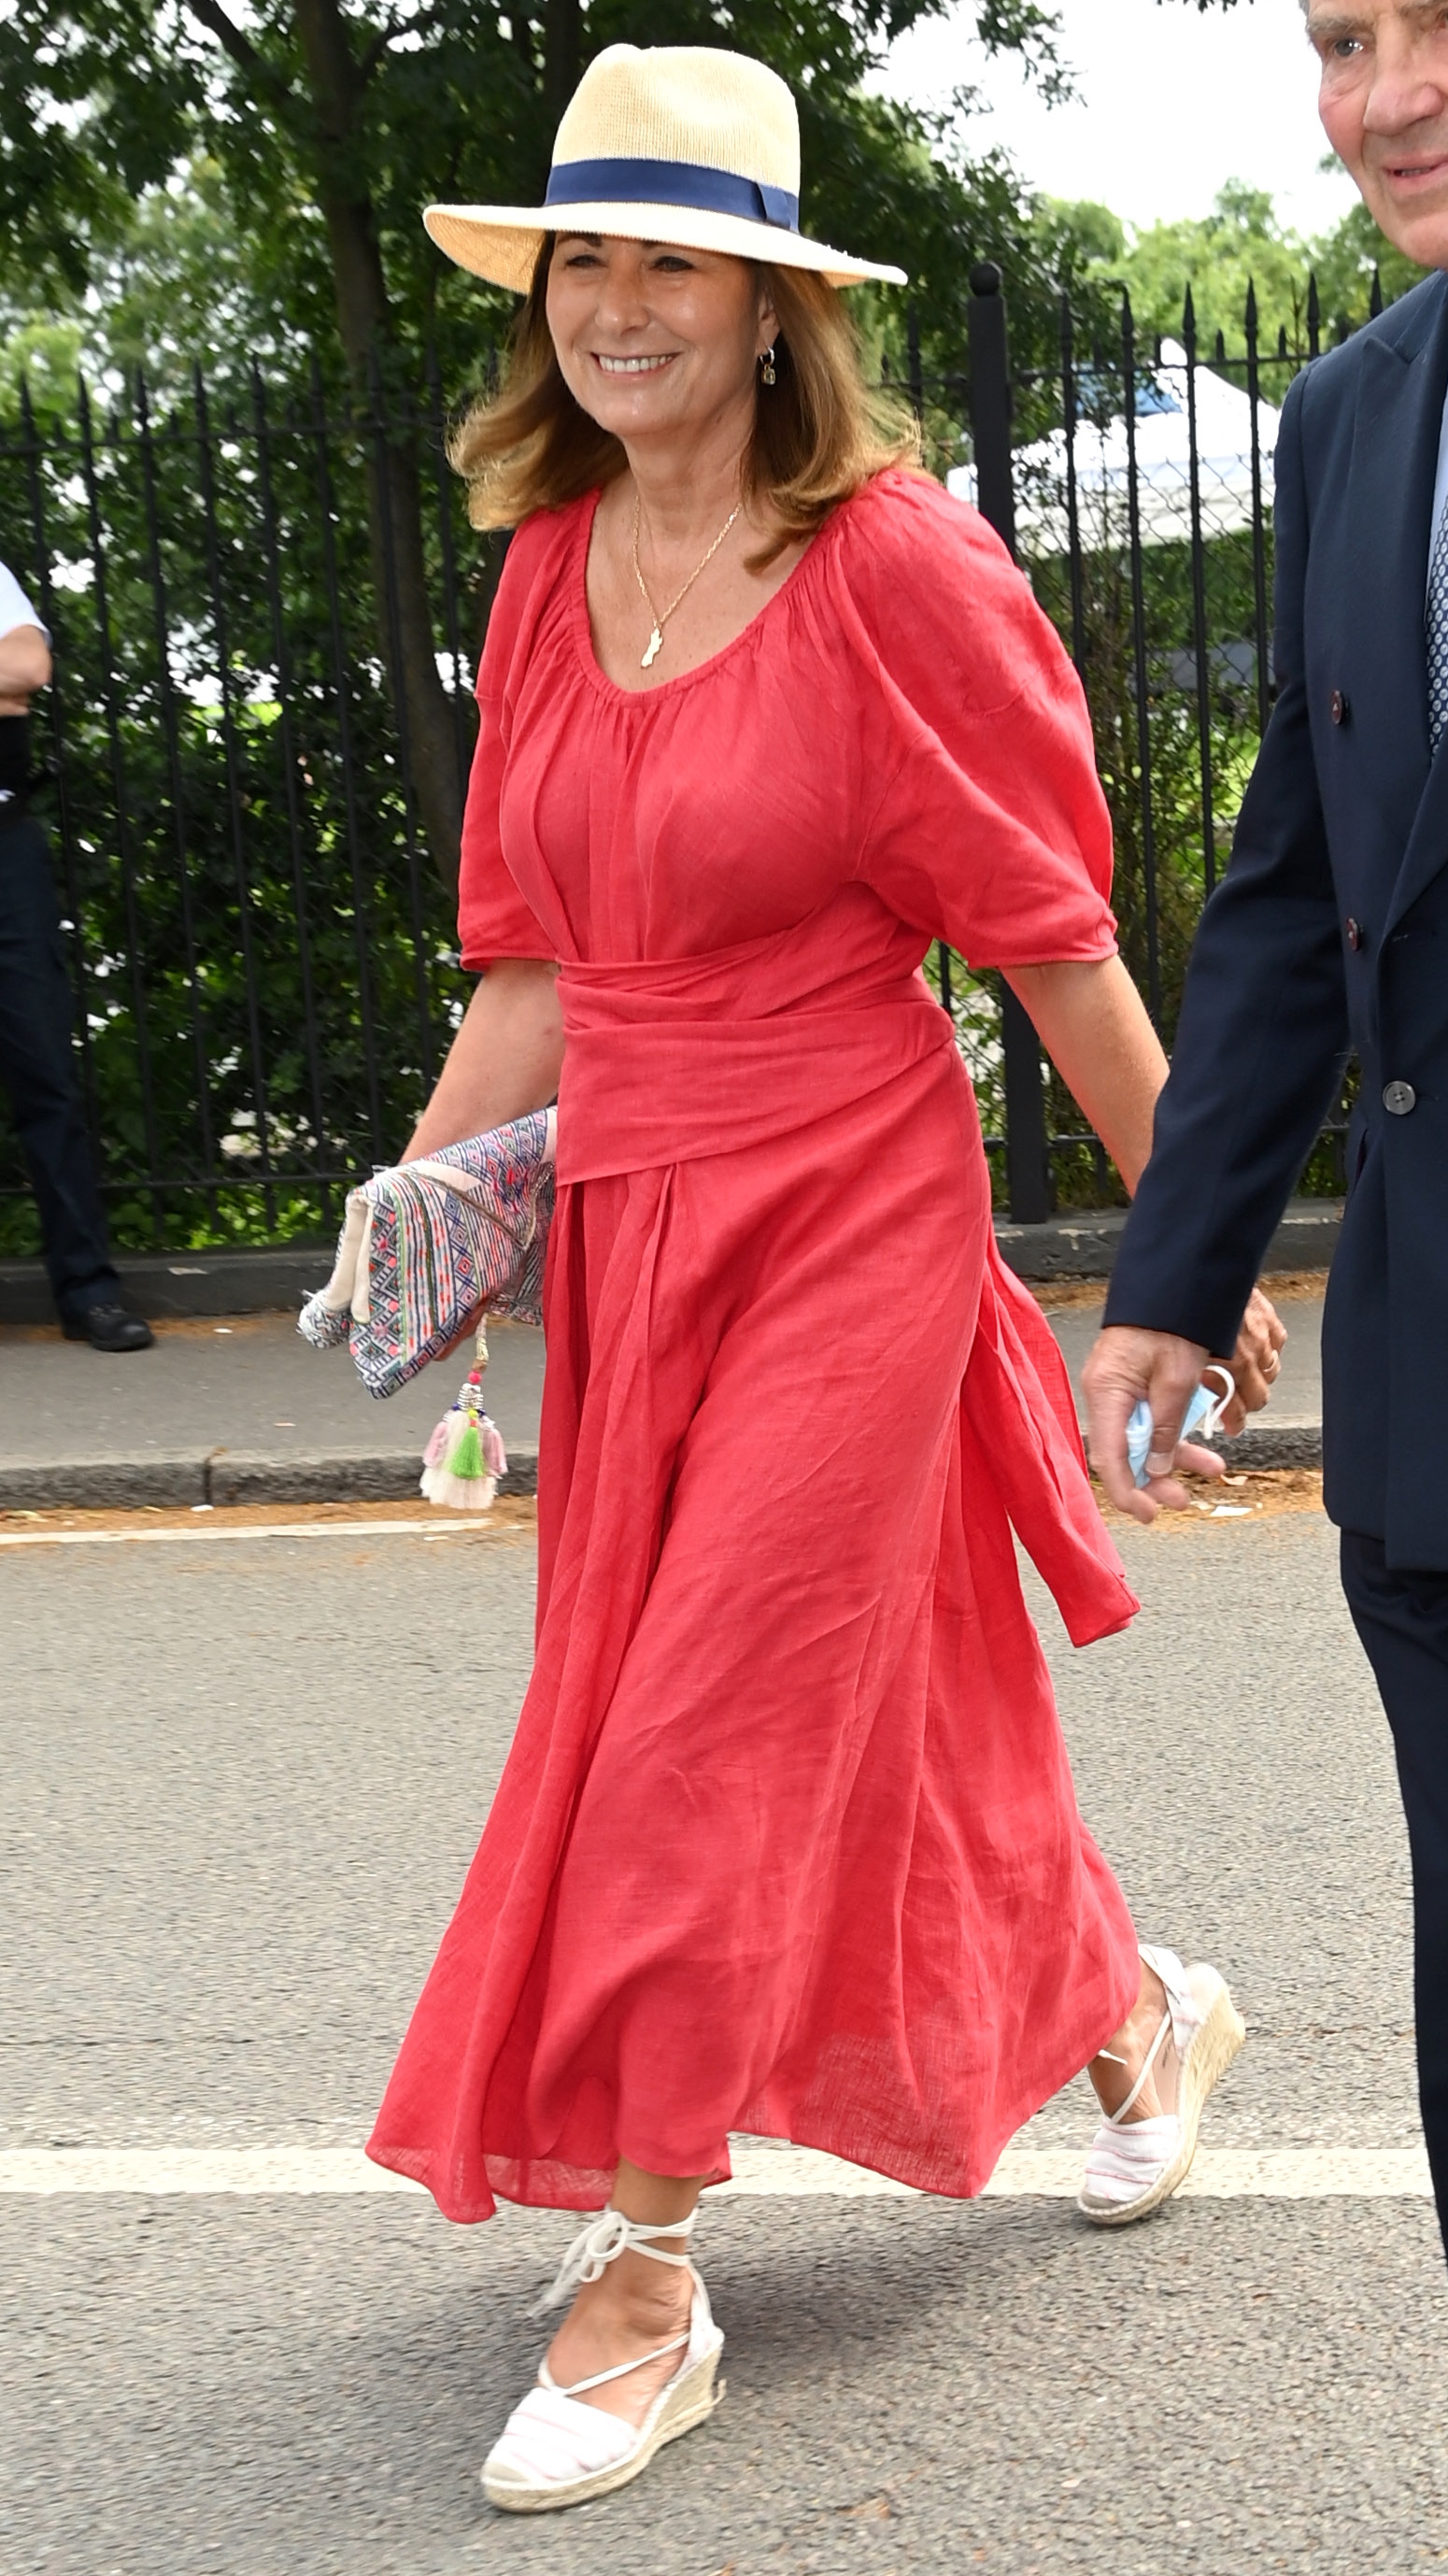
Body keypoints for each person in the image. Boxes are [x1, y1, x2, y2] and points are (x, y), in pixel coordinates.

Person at [367, 44, 1271, 2513]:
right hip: (634, 1228)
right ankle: (1130, 2014)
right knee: (857, 1716)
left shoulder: (896, 568)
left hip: (852, 1217)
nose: (616, 302)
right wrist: (421, 1220)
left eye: (669, 256)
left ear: (772, 307)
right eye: (581, 255)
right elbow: (533, 958)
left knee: (689, 1739)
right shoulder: (546, 573)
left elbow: (1052, 938)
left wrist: (1176, 1246)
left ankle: (647, 2270)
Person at [1084, 0, 1448, 2264]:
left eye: (1434, 24)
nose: (1384, 94)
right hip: (1434, 1420)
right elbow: (1293, 887)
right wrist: (1176, 1266)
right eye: (1340, 36)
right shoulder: (1347, 417)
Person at [0, 558, 151, 1352]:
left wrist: (11, 686)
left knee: (46, 1076)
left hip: (6, 849)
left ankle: (88, 1292)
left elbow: (28, 666)